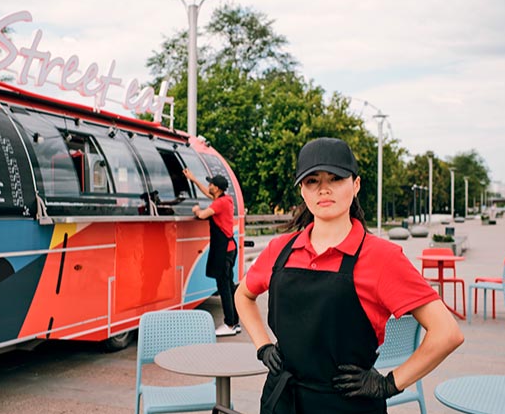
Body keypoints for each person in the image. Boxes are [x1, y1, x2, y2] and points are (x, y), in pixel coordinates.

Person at [234, 137, 464, 413]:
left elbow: (447, 333)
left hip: (347, 404)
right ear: (302, 191)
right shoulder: (279, 249)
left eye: (335, 178)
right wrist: (263, 347)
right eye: (312, 181)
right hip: (282, 399)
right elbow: (243, 295)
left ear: (356, 185)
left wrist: (390, 384)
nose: (324, 189)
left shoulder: (382, 257)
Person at [184, 169, 240, 336]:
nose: (208, 185)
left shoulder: (219, 204)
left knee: (224, 288)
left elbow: (202, 215)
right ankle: (235, 323)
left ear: (216, 188)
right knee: (229, 287)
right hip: (229, 249)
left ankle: (229, 324)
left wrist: (195, 210)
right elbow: (206, 194)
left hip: (223, 251)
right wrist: (193, 179)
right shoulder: (225, 200)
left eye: (210, 184)